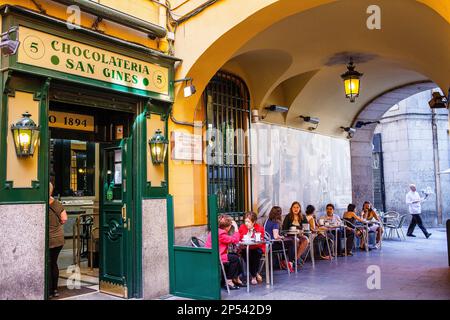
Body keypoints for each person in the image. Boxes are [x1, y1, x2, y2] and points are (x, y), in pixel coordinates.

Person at [205, 214, 243, 290]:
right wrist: (236, 229)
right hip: (215, 256)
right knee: (234, 258)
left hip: (214, 254)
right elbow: (234, 240)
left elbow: (229, 240)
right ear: (227, 227)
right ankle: (228, 281)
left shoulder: (217, 230)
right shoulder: (221, 233)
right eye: (230, 226)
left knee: (235, 255)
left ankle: (235, 278)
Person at [48, 182, 68, 299]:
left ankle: (49, 290)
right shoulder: (57, 204)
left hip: (49, 239)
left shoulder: (44, 203)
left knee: (49, 263)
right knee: (53, 263)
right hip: (58, 238)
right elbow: (64, 218)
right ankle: (54, 290)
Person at [264, 206, 295, 272]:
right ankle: (290, 263)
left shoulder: (267, 220)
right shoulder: (275, 223)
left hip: (266, 244)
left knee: (287, 244)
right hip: (272, 245)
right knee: (291, 243)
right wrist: (281, 237)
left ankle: (284, 261)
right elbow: (275, 237)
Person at [238, 211, 265, 285]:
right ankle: (255, 274)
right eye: (245, 221)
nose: (246, 223)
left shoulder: (259, 228)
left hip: (257, 247)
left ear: (254, 222)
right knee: (246, 254)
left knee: (256, 254)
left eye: (248, 222)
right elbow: (239, 238)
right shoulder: (242, 227)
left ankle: (253, 276)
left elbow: (260, 240)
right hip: (245, 248)